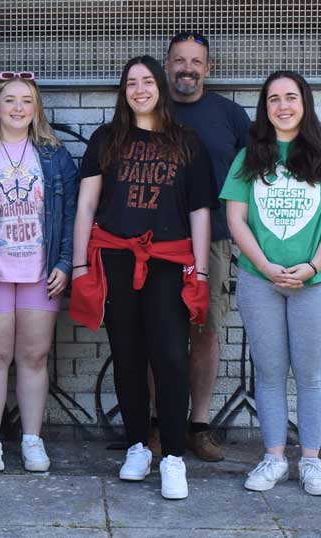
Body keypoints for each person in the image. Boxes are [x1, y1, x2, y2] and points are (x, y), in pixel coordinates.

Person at [69, 55, 216, 500]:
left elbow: (200, 211)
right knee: (127, 355)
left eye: (147, 81)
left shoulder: (187, 141)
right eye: (131, 82)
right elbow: (86, 206)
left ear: (161, 87)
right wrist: (79, 265)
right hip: (114, 259)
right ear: (123, 90)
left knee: (170, 356)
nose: (139, 89)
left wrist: (202, 270)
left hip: (169, 262)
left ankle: (172, 456)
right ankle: (137, 446)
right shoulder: (106, 139)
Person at [220, 71, 321, 496]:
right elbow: (236, 219)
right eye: (274, 99)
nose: (282, 106)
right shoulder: (248, 158)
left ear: (304, 103)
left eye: (291, 97)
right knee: (271, 371)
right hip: (259, 280)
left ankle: (312, 462)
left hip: (316, 282)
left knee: (311, 373)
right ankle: (274, 458)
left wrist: (313, 266)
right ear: (265, 107)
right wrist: (262, 264)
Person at [0, 71, 77, 474]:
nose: (18, 108)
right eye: (9, 100)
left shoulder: (53, 154)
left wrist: (65, 263)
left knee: (33, 356)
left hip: (41, 271)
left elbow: (71, 214)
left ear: (36, 108)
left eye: (26, 101)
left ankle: (32, 439)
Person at [152, 31, 251, 462]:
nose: (187, 68)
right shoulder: (149, 109)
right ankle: (157, 426)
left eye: (196, 61)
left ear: (208, 68)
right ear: (166, 65)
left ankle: (198, 426)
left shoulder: (230, 115)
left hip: (213, 242)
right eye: (179, 60)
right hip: (154, 242)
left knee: (205, 332)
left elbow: (256, 175)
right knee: (155, 334)